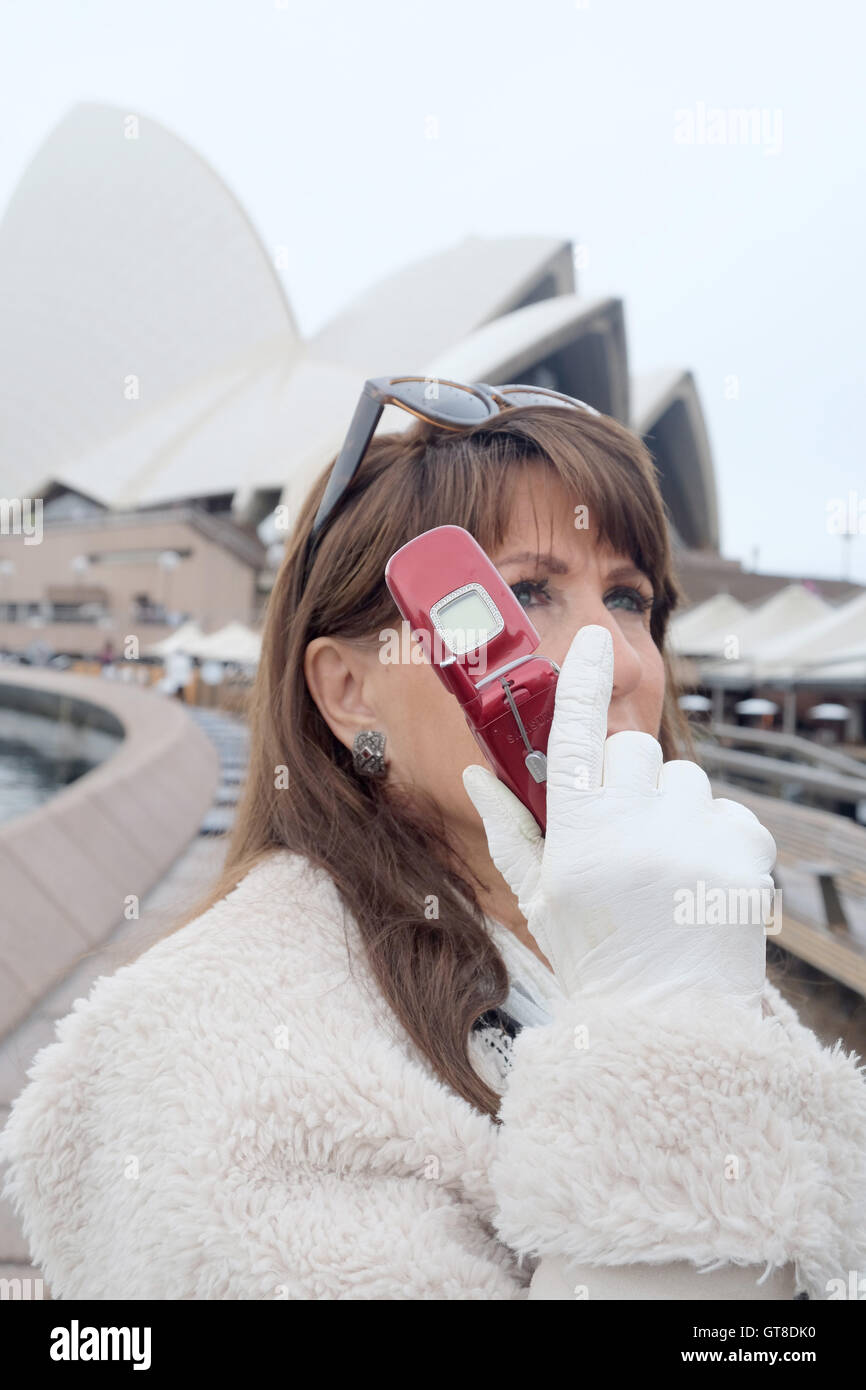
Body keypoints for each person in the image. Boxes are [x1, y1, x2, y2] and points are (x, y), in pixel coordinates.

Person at [2, 379, 864, 1300]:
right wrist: (670, 1035)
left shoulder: (671, 946)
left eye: (628, 598)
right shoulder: (209, 1061)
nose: (616, 659)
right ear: (349, 692)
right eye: (526, 592)